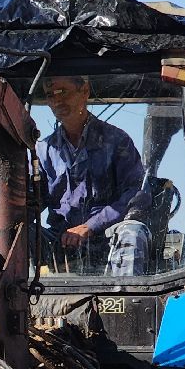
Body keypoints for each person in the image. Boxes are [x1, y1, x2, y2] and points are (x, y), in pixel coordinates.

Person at [36, 75, 150, 275]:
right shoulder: (44, 149)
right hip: (60, 241)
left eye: (62, 92)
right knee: (17, 234)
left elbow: (135, 193)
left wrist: (91, 226)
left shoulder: (117, 141)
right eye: (49, 95)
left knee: (132, 232)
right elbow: (32, 200)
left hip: (108, 237)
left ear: (85, 92)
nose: (56, 100)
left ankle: (123, 299)